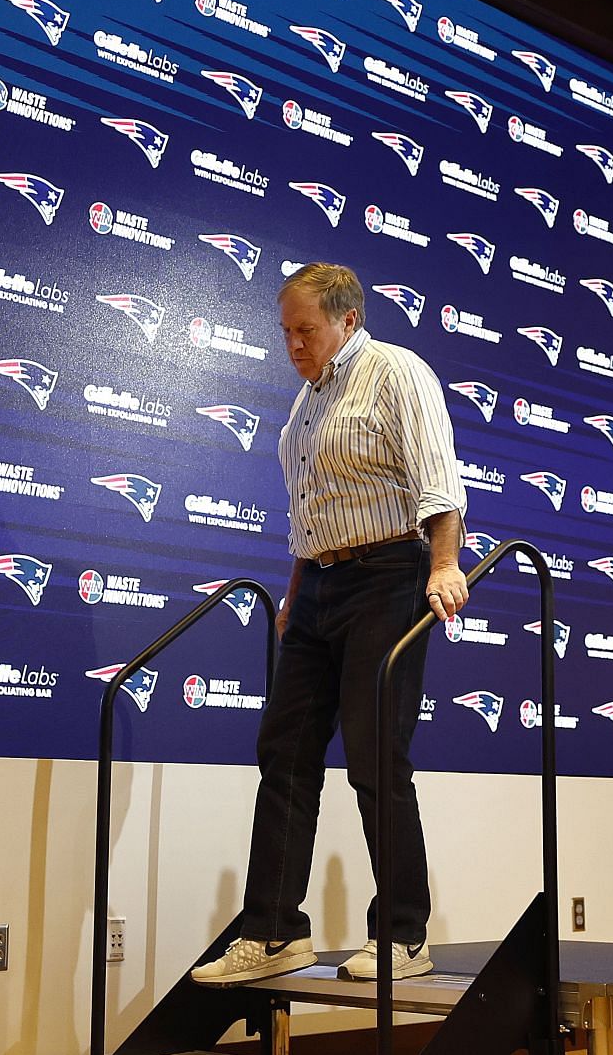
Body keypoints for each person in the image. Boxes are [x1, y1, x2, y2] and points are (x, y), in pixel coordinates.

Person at [191, 263, 469, 986]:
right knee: (282, 751)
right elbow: (309, 511)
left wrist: (443, 564)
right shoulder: (306, 403)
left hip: (388, 577)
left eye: (304, 329)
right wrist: (293, 594)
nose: (293, 344)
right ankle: (276, 931)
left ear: (347, 319)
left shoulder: (395, 372)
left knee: (377, 758)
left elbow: (438, 480)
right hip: (317, 585)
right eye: (285, 331)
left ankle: (404, 936)